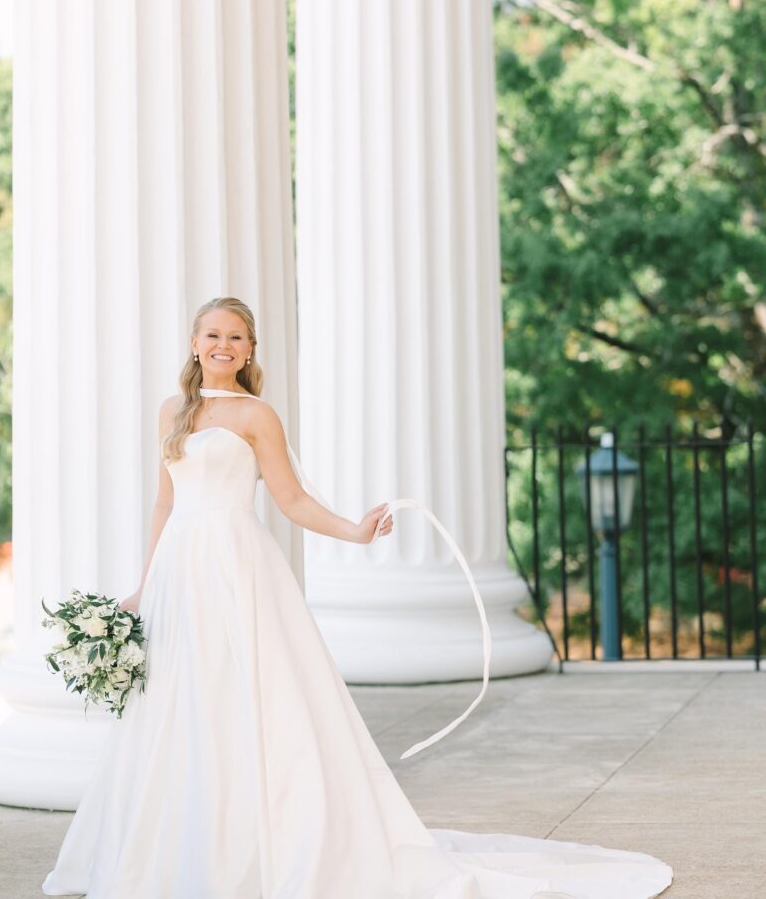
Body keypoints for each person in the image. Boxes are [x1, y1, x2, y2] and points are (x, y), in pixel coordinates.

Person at [42, 297, 673, 898]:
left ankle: (260, 849)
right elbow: (164, 500)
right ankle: (182, 849)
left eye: (235, 336)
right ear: (194, 342)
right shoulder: (171, 412)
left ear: (250, 348)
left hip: (236, 562)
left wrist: (355, 530)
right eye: (212, 334)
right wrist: (145, 584)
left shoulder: (256, 415)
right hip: (180, 569)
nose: (223, 345)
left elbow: (289, 499)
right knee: (182, 698)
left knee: (248, 693)